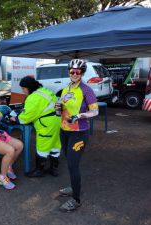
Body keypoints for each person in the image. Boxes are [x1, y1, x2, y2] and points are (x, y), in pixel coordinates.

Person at [58, 59, 99, 212]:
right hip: (64, 130)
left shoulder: (86, 90)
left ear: (82, 73)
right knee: (69, 161)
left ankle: (76, 199)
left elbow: (95, 111)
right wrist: (59, 106)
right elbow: (63, 107)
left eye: (78, 72)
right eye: (72, 71)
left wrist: (80, 115)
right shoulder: (66, 88)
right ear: (69, 72)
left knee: (73, 165)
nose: (74, 74)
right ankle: (74, 187)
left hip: (79, 132)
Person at [11, 76, 61, 177]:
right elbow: (56, 105)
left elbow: (26, 117)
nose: (23, 91)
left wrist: (15, 119)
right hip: (56, 120)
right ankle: (53, 169)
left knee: (42, 147)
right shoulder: (45, 90)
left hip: (46, 124)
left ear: (29, 87)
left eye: (24, 88)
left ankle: (39, 171)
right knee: (54, 144)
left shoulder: (33, 97)